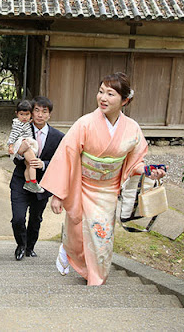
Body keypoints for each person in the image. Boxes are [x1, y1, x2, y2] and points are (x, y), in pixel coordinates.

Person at [41, 72, 166, 285]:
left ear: (125, 100)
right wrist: (58, 194)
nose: (103, 98)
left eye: (110, 94)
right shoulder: (85, 123)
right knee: (77, 232)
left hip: (107, 191)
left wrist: (148, 170)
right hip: (81, 186)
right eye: (101, 92)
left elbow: (134, 162)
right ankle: (68, 250)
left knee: (101, 237)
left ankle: (95, 278)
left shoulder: (132, 128)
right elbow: (66, 156)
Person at [9, 96, 64, 261]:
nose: (40, 115)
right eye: (37, 111)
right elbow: (12, 155)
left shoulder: (58, 136)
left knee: (36, 218)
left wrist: (43, 164)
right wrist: (19, 153)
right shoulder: (23, 129)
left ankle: (30, 247)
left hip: (43, 183)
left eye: (44, 111)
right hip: (21, 180)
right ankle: (21, 244)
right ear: (31, 113)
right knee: (18, 218)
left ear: (49, 115)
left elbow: (59, 161)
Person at [6, 99, 42, 193]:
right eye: (21, 114)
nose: (24, 117)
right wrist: (10, 146)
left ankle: (28, 182)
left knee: (28, 165)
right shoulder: (18, 124)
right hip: (23, 143)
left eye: (27, 115)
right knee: (33, 162)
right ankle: (33, 182)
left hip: (27, 142)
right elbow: (13, 135)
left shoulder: (25, 123)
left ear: (31, 115)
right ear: (17, 114)